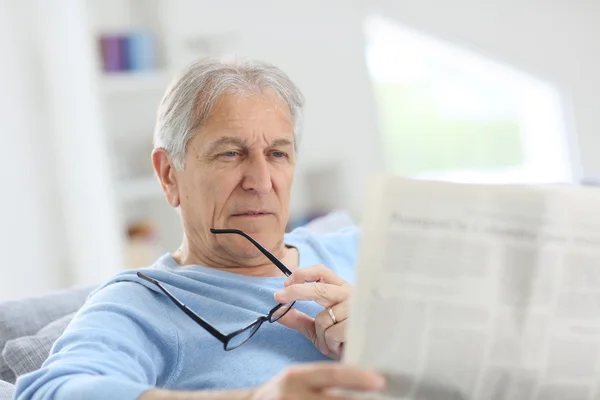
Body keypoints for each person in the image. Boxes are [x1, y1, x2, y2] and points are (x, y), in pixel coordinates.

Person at [14, 58, 385, 400]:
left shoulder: (366, 249)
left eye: (277, 154)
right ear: (168, 175)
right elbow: (52, 391)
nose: (260, 180)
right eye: (230, 153)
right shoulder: (143, 305)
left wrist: (382, 341)